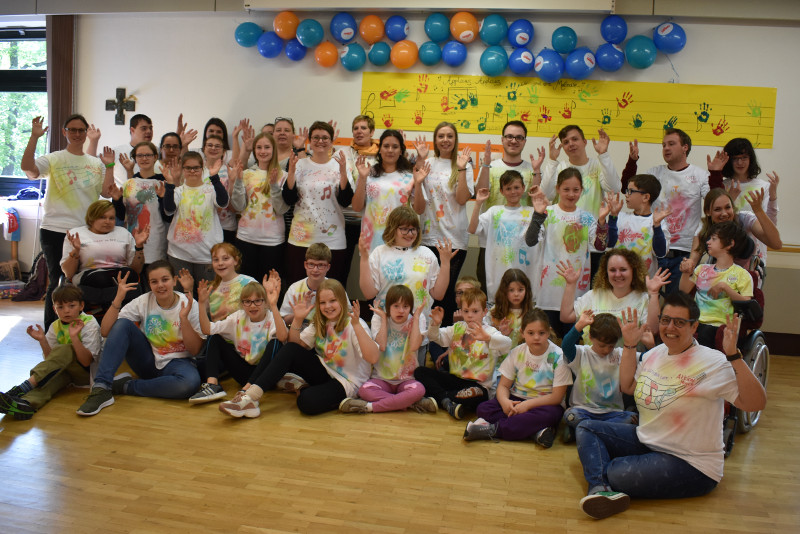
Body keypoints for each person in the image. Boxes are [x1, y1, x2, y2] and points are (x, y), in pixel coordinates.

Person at [575, 295, 766, 519]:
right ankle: (600, 488)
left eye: (679, 322)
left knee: (616, 470)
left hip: (690, 462)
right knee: (586, 428)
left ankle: (604, 480)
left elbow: (755, 403)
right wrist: (628, 344)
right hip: (649, 440)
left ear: (695, 326)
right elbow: (627, 386)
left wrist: (734, 355)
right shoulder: (654, 353)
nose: (670, 327)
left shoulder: (713, 362)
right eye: (665, 320)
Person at [218, 279, 377, 418]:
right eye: (322, 302)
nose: (327, 306)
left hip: (347, 382)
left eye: (333, 301)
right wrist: (298, 320)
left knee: (305, 402)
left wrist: (356, 325)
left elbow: (373, 358)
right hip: (325, 372)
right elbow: (294, 347)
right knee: (289, 349)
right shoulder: (320, 322)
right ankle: (250, 398)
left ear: (342, 301)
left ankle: (346, 400)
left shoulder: (356, 324)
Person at [76, 261, 205, 416]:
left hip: (179, 363)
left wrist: (183, 319)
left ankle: (125, 386)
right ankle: (101, 387)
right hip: (148, 361)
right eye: (154, 281)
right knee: (122, 324)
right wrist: (118, 299)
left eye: (165, 279)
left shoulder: (189, 303)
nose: (160, 285)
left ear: (174, 280)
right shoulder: (144, 300)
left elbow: (195, 350)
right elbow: (105, 331)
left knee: (189, 384)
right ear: (149, 284)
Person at [20, 114, 106, 329]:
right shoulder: (54, 159)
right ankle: (52, 331)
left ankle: (80, 330)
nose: (77, 134)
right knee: (58, 280)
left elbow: (105, 192)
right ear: (64, 132)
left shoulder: (96, 164)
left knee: (81, 281)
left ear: (86, 133)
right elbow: (28, 169)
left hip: (86, 231)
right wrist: (34, 137)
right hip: (54, 229)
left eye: (81, 130)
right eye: (72, 130)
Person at [621, 130, 725, 291]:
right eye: (663, 145)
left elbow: (716, 201)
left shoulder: (700, 175)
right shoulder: (654, 173)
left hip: (684, 250)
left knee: (676, 301)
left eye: (671, 144)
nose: (666, 148)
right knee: (643, 297)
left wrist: (716, 174)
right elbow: (626, 188)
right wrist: (632, 161)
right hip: (653, 248)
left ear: (685, 147)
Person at [359, 206, 455, 360]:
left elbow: (438, 293)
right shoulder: (379, 253)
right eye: (404, 229)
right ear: (393, 228)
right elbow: (369, 292)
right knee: (385, 376)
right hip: (387, 329)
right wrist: (364, 259)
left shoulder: (426, 254)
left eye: (413, 229)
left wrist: (445, 263)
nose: (410, 234)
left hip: (417, 328)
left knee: (414, 379)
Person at [464, 308, 571, 447]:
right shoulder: (517, 352)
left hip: (544, 404)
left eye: (541, 333)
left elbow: (557, 397)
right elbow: (503, 386)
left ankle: (493, 429)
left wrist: (527, 405)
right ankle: (535, 431)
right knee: (483, 408)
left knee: (551, 416)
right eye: (531, 333)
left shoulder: (559, 357)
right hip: (517, 399)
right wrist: (505, 402)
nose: (536, 337)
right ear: (522, 333)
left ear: (549, 331)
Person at [524, 169, 609, 338]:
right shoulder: (548, 213)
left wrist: (601, 222)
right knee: (550, 344)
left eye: (576, 190)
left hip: (577, 295)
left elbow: (600, 246)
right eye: (566, 189)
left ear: (581, 190)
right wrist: (538, 215)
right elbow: (530, 240)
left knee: (573, 345)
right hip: (548, 294)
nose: (571, 194)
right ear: (557, 189)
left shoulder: (587, 217)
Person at [0, 285, 102, 420]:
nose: (66, 311)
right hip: (68, 374)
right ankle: (26, 405)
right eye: (61, 307)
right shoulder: (55, 326)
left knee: (65, 348)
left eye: (71, 306)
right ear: (54, 309)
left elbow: (86, 361)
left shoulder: (89, 323)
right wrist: (42, 340)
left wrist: (74, 338)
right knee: (49, 382)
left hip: (87, 374)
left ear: (81, 306)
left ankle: (23, 387)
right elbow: (51, 361)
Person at [414, 288, 512, 420]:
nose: (470, 315)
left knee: (476, 395)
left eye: (475, 311)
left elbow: (507, 344)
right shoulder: (457, 327)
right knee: (420, 372)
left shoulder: (490, 331)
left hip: (478, 386)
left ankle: (443, 398)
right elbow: (435, 337)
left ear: (484, 312)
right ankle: (448, 402)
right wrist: (435, 324)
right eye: (466, 311)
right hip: (455, 379)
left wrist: (488, 338)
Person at [189, 276, 287, 403]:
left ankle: (248, 389)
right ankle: (212, 385)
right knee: (214, 337)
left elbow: (284, 337)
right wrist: (201, 304)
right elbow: (207, 329)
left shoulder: (272, 317)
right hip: (244, 373)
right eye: (247, 301)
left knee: (276, 342)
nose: (252, 306)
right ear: (242, 304)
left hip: (266, 376)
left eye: (258, 301)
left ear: (266, 302)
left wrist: (274, 306)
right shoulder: (238, 317)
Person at [412, 122, 474, 323]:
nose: (445, 140)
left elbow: (463, 199)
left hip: (454, 239)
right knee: (426, 289)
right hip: (428, 237)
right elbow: (419, 208)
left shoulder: (464, 164)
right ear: (435, 140)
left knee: (447, 292)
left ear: (455, 140)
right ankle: (426, 337)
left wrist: (463, 169)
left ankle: (445, 344)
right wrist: (420, 163)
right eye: (441, 136)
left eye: (450, 136)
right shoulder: (427, 163)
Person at [541, 126, 621, 281]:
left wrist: (603, 154)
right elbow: (546, 195)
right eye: (565, 142)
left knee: (589, 295)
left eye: (575, 139)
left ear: (585, 142)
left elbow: (614, 188)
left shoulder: (597, 166)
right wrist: (551, 160)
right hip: (563, 244)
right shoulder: (560, 167)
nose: (570, 144)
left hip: (592, 243)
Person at [339, 285, 435, 414]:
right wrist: (384, 318)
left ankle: (368, 407)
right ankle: (409, 403)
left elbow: (414, 346)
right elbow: (382, 346)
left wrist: (416, 317)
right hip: (381, 379)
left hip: (407, 380)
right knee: (364, 390)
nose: (401, 311)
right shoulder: (379, 317)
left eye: (405, 306)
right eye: (396, 306)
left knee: (419, 390)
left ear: (410, 308)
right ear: (389, 306)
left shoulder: (418, 318)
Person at [473, 121, 545, 289]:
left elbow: (536, 198)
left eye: (519, 137)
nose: (514, 141)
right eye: (510, 136)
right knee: (490, 289)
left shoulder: (531, 168)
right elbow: (480, 192)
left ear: (524, 141)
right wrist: (485, 163)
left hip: (521, 244)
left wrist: (537, 171)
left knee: (519, 293)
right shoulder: (491, 166)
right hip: (491, 242)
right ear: (502, 139)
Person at [283, 121, 353, 287]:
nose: (320, 141)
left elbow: (345, 201)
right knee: (298, 286)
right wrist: (291, 173)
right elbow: (288, 199)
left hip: (332, 238)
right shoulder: (299, 164)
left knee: (331, 288)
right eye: (316, 137)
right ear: (309, 140)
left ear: (331, 141)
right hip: (301, 238)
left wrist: (343, 173)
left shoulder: (340, 165)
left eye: (324, 138)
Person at [558, 248, 666, 345]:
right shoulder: (594, 295)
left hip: (628, 363)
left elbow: (653, 331)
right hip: (592, 363)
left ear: (634, 271)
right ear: (606, 272)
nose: (618, 274)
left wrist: (653, 293)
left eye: (623, 269)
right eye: (612, 270)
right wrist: (571, 284)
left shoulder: (644, 299)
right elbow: (566, 317)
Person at [561, 310, 638, 442]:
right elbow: (566, 345)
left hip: (612, 413)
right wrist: (579, 325)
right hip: (583, 410)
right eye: (602, 345)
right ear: (590, 337)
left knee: (631, 418)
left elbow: (645, 359)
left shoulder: (621, 355)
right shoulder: (582, 353)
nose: (606, 350)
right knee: (571, 415)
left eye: (611, 346)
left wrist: (650, 344)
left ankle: (584, 431)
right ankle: (604, 432)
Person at [60, 200, 148, 310]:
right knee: (101, 278)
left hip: (119, 274)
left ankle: (103, 303)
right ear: (91, 218)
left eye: (111, 218)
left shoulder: (123, 233)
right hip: (90, 275)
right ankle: (115, 301)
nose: (107, 221)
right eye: (102, 217)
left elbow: (137, 269)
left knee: (130, 275)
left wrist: (139, 246)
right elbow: (69, 274)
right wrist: (76, 250)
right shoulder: (76, 234)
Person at [469, 171, 540, 303]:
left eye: (516, 187)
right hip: (498, 275)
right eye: (508, 188)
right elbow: (472, 229)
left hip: (525, 273)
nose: (513, 192)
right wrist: (478, 204)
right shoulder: (494, 212)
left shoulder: (531, 212)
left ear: (523, 188)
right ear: (502, 191)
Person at [680, 221, 754, 348]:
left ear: (730, 244)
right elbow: (683, 289)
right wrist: (686, 272)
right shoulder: (701, 269)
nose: (708, 242)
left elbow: (747, 302)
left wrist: (725, 287)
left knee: (705, 333)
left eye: (714, 239)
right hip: (695, 321)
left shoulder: (742, 274)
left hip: (719, 324)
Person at [161, 151, 229, 289]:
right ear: (182, 169)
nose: (192, 171)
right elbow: (169, 209)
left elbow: (223, 202)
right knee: (182, 298)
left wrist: (214, 177)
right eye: (188, 168)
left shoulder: (210, 190)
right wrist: (169, 184)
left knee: (208, 300)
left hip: (206, 255)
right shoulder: (178, 191)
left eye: (196, 168)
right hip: (179, 254)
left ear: (202, 168)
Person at [231, 131, 289, 282]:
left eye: (267, 147)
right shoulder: (246, 173)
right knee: (246, 286)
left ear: (273, 150)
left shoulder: (284, 175)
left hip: (273, 241)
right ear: (254, 151)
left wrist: (274, 185)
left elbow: (282, 209)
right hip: (246, 238)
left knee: (269, 288)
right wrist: (237, 181)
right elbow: (238, 206)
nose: (263, 151)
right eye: (259, 147)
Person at [351, 129, 421, 252]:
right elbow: (357, 207)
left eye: (395, 147)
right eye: (386, 146)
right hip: (371, 242)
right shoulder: (367, 173)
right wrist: (362, 178)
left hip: (400, 240)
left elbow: (419, 209)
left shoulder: (410, 176)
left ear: (401, 151)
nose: (390, 150)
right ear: (380, 149)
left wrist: (419, 183)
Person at [109, 141, 170, 282]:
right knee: (134, 285)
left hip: (156, 241)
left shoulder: (164, 182)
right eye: (140, 155)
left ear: (155, 157)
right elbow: (120, 215)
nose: (144, 158)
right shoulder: (129, 183)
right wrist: (117, 200)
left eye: (148, 155)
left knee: (154, 283)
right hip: (133, 242)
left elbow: (168, 216)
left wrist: (162, 198)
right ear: (135, 158)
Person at [690, 188, 782, 269]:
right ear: (708, 212)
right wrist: (688, 265)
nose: (724, 213)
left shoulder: (745, 218)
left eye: (728, 207)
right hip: (718, 277)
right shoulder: (704, 227)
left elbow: (776, 244)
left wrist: (758, 210)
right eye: (718, 209)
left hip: (748, 276)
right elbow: (693, 259)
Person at [607, 174, 671, 277]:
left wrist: (657, 226)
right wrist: (613, 216)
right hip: (618, 278)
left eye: (631, 191)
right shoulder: (620, 217)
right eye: (627, 191)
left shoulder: (657, 222)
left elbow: (660, 252)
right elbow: (609, 243)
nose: (626, 195)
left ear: (646, 197)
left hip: (643, 284)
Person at [486, 269, 533, 377]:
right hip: (498, 367)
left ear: (526, 290)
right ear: (504, 291)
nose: (516, 294)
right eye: (511, 290)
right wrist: (499, 334)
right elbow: (486, 342)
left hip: (523, 367)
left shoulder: (532, 313)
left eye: (520, 290)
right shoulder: (494, 312)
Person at [721, 137, 779, 223]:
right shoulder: (722, 185)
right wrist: (730, 199)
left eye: (744, 157)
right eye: (735, 158)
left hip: (756, 235)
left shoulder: (764, 186)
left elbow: (771, 223)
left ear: (750, 159)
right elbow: (716, 222)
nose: (740, 162)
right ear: (729, 160)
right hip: (729, 235)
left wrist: (773, 196)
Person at [202, 134, 237, 244]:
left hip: (226, 227)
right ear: (204, 149)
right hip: (203, 227)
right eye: (210, 145)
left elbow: (235, 206)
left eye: (217, 146)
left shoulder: (230, 171)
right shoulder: (197, 171)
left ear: (223, 151)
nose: (213, 148)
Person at [109, 114, 154, 187]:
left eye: (150, 128)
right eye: (144, 128)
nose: (149, 131)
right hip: (122, 196)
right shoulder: (115, 152)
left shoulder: (158, 152)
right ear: (132, 130)